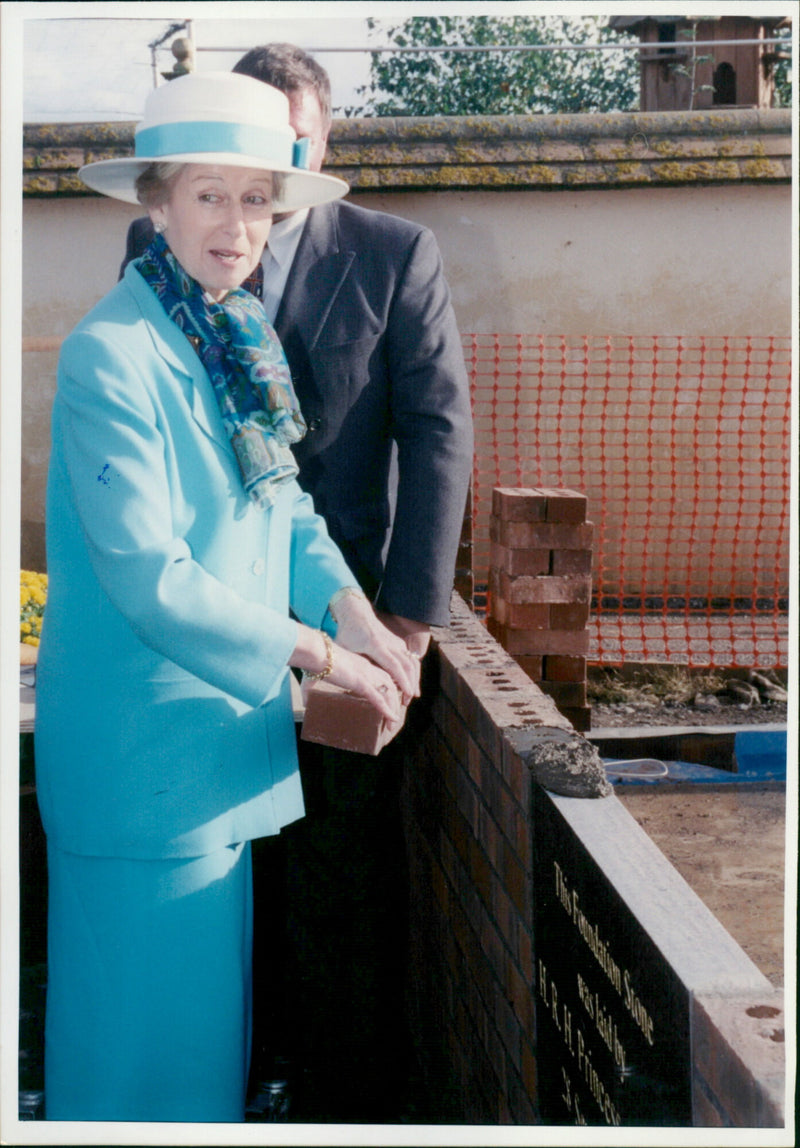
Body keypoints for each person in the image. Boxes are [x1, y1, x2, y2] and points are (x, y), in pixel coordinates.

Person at [34, 70, 420, 1124]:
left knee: (202, 1066)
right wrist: (325, 658)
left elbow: (283, 502)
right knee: (131, 1076)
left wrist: (351, 610)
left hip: (209, 762)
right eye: (210, 195)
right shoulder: (111, 356)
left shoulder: (225, 336)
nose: (236, 224)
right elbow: (152, 579)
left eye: (256, 199)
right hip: (138, 772)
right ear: (156, 203)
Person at [121, 44, 474, 1122]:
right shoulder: (157, 241)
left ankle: (347, 1090)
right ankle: (248, 1069)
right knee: (227, 855)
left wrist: (404, 618)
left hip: (344, 607)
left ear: (322, 146)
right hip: (210, 617)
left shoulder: (394, 251)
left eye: (293, 142)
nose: (264, 172)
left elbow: (438, 429)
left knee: (340, 864)